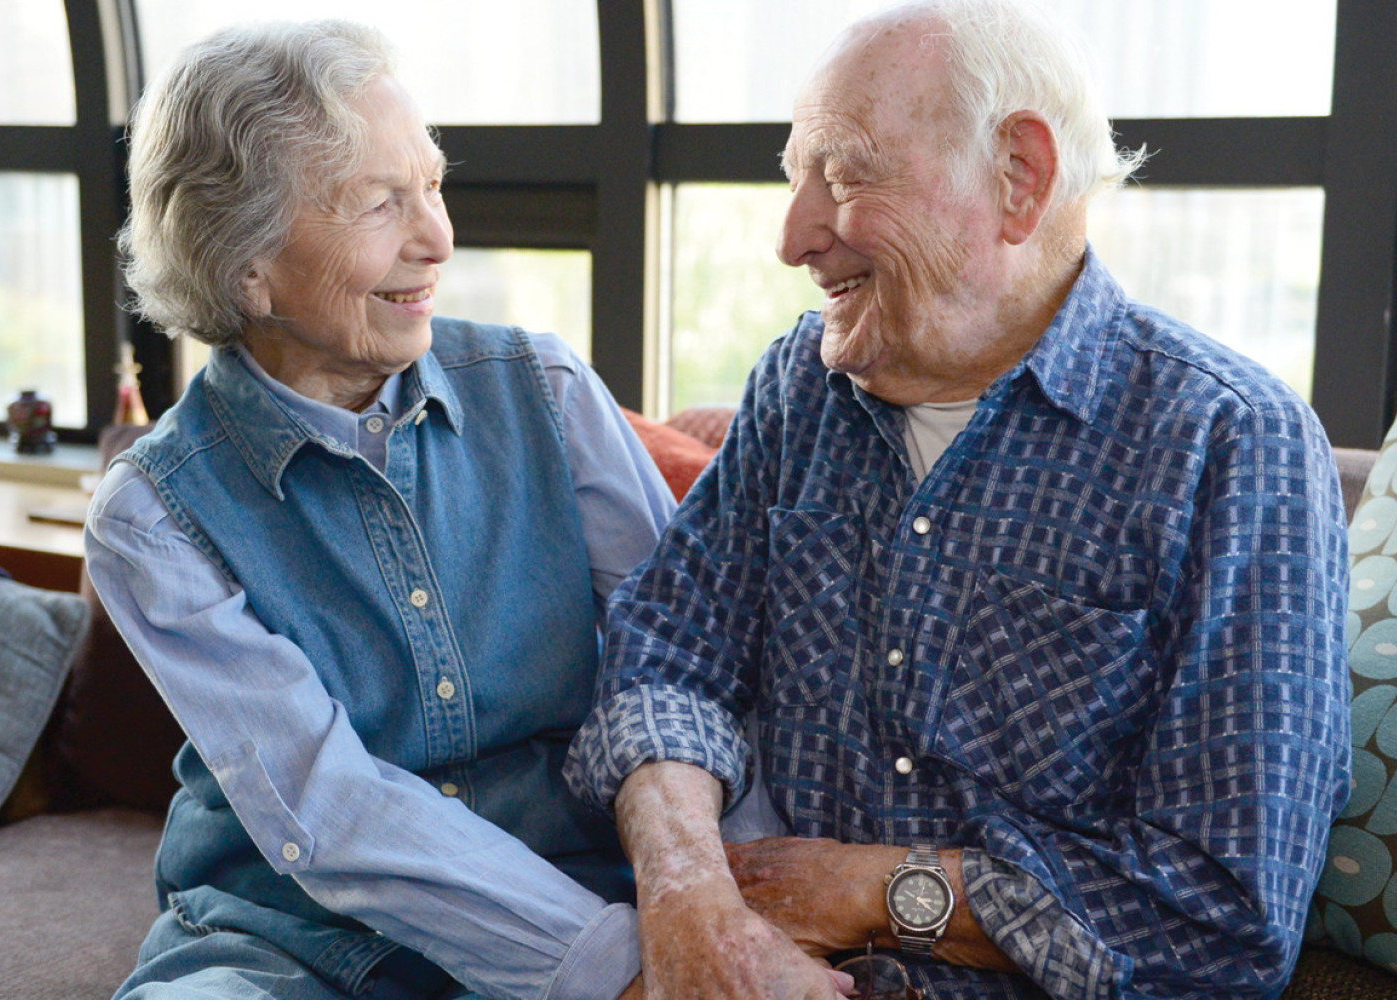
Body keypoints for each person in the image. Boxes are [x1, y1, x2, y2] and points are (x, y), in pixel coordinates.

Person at [563, 2, 1353, 998]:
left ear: (1018, 179)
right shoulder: (796, 388)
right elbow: (663, 657)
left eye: (841, 173)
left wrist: (878, 889)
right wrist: (687, 894)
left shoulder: (1228, 442)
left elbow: (1223, 923)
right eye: (790, 178)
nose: (791, 236)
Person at [85, 20, 673, 1000]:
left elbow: (685, 671)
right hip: (292, 943)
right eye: (378, 203)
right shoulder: (151, 515)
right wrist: (618, 975)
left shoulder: (549, 393)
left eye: (432, 185)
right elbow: (330, 809)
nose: (437, 238)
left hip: (577, 891)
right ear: (246, 264)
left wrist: (729, 907)